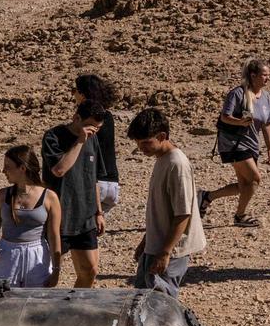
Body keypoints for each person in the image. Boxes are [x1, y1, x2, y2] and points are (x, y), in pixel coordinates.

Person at [127, 108, 206, 297]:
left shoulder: (176, 164)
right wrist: (146, 241)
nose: (141, 149)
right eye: (138, 144)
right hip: (156, 244)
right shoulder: (161, 159)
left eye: (146, 143)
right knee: (142, 297)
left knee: (162, 302)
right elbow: (162, 210)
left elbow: (182, 213)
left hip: (171, 249)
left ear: (162, 136)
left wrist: (165, 252)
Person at [202, 59, 270, 227]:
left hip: (252, 145)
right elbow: (225, 116)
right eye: (264, 75)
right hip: (234, 144)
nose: (268, 78)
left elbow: (267, 124)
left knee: (244, 185)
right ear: (253, 75)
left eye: (268, 75)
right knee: (255, 178)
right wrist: (240, 122)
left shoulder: (265, 97)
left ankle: (207, 197)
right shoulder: (237, 93)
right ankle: (240, 216)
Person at [42, 103, 108, 287]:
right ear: (76, 118)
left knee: (90, 270)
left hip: (85, 216)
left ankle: (72, 309)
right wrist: (79, 141)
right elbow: (59, 169)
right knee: (48, 275)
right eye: (91, 126)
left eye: (98, 128)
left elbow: (93, 177)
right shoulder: (53, 137)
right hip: (59, 217)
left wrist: (99, 212)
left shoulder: (92, 138)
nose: (94, 131)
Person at [0, 146, 63, 288]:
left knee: (36, 301)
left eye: (8, 167)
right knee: (3, 300)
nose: (3, 171)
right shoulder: (2, 196)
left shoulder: (49, 197)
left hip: (37, 255)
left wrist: (56, 270)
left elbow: (54, 235)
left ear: (22, 168)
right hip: (7, 254)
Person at [75, 74, 122, 211]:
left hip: (95, 183)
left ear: (82, 94)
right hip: (112, 182)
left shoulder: (85, 119)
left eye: (76, 91)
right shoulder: (107, 116)